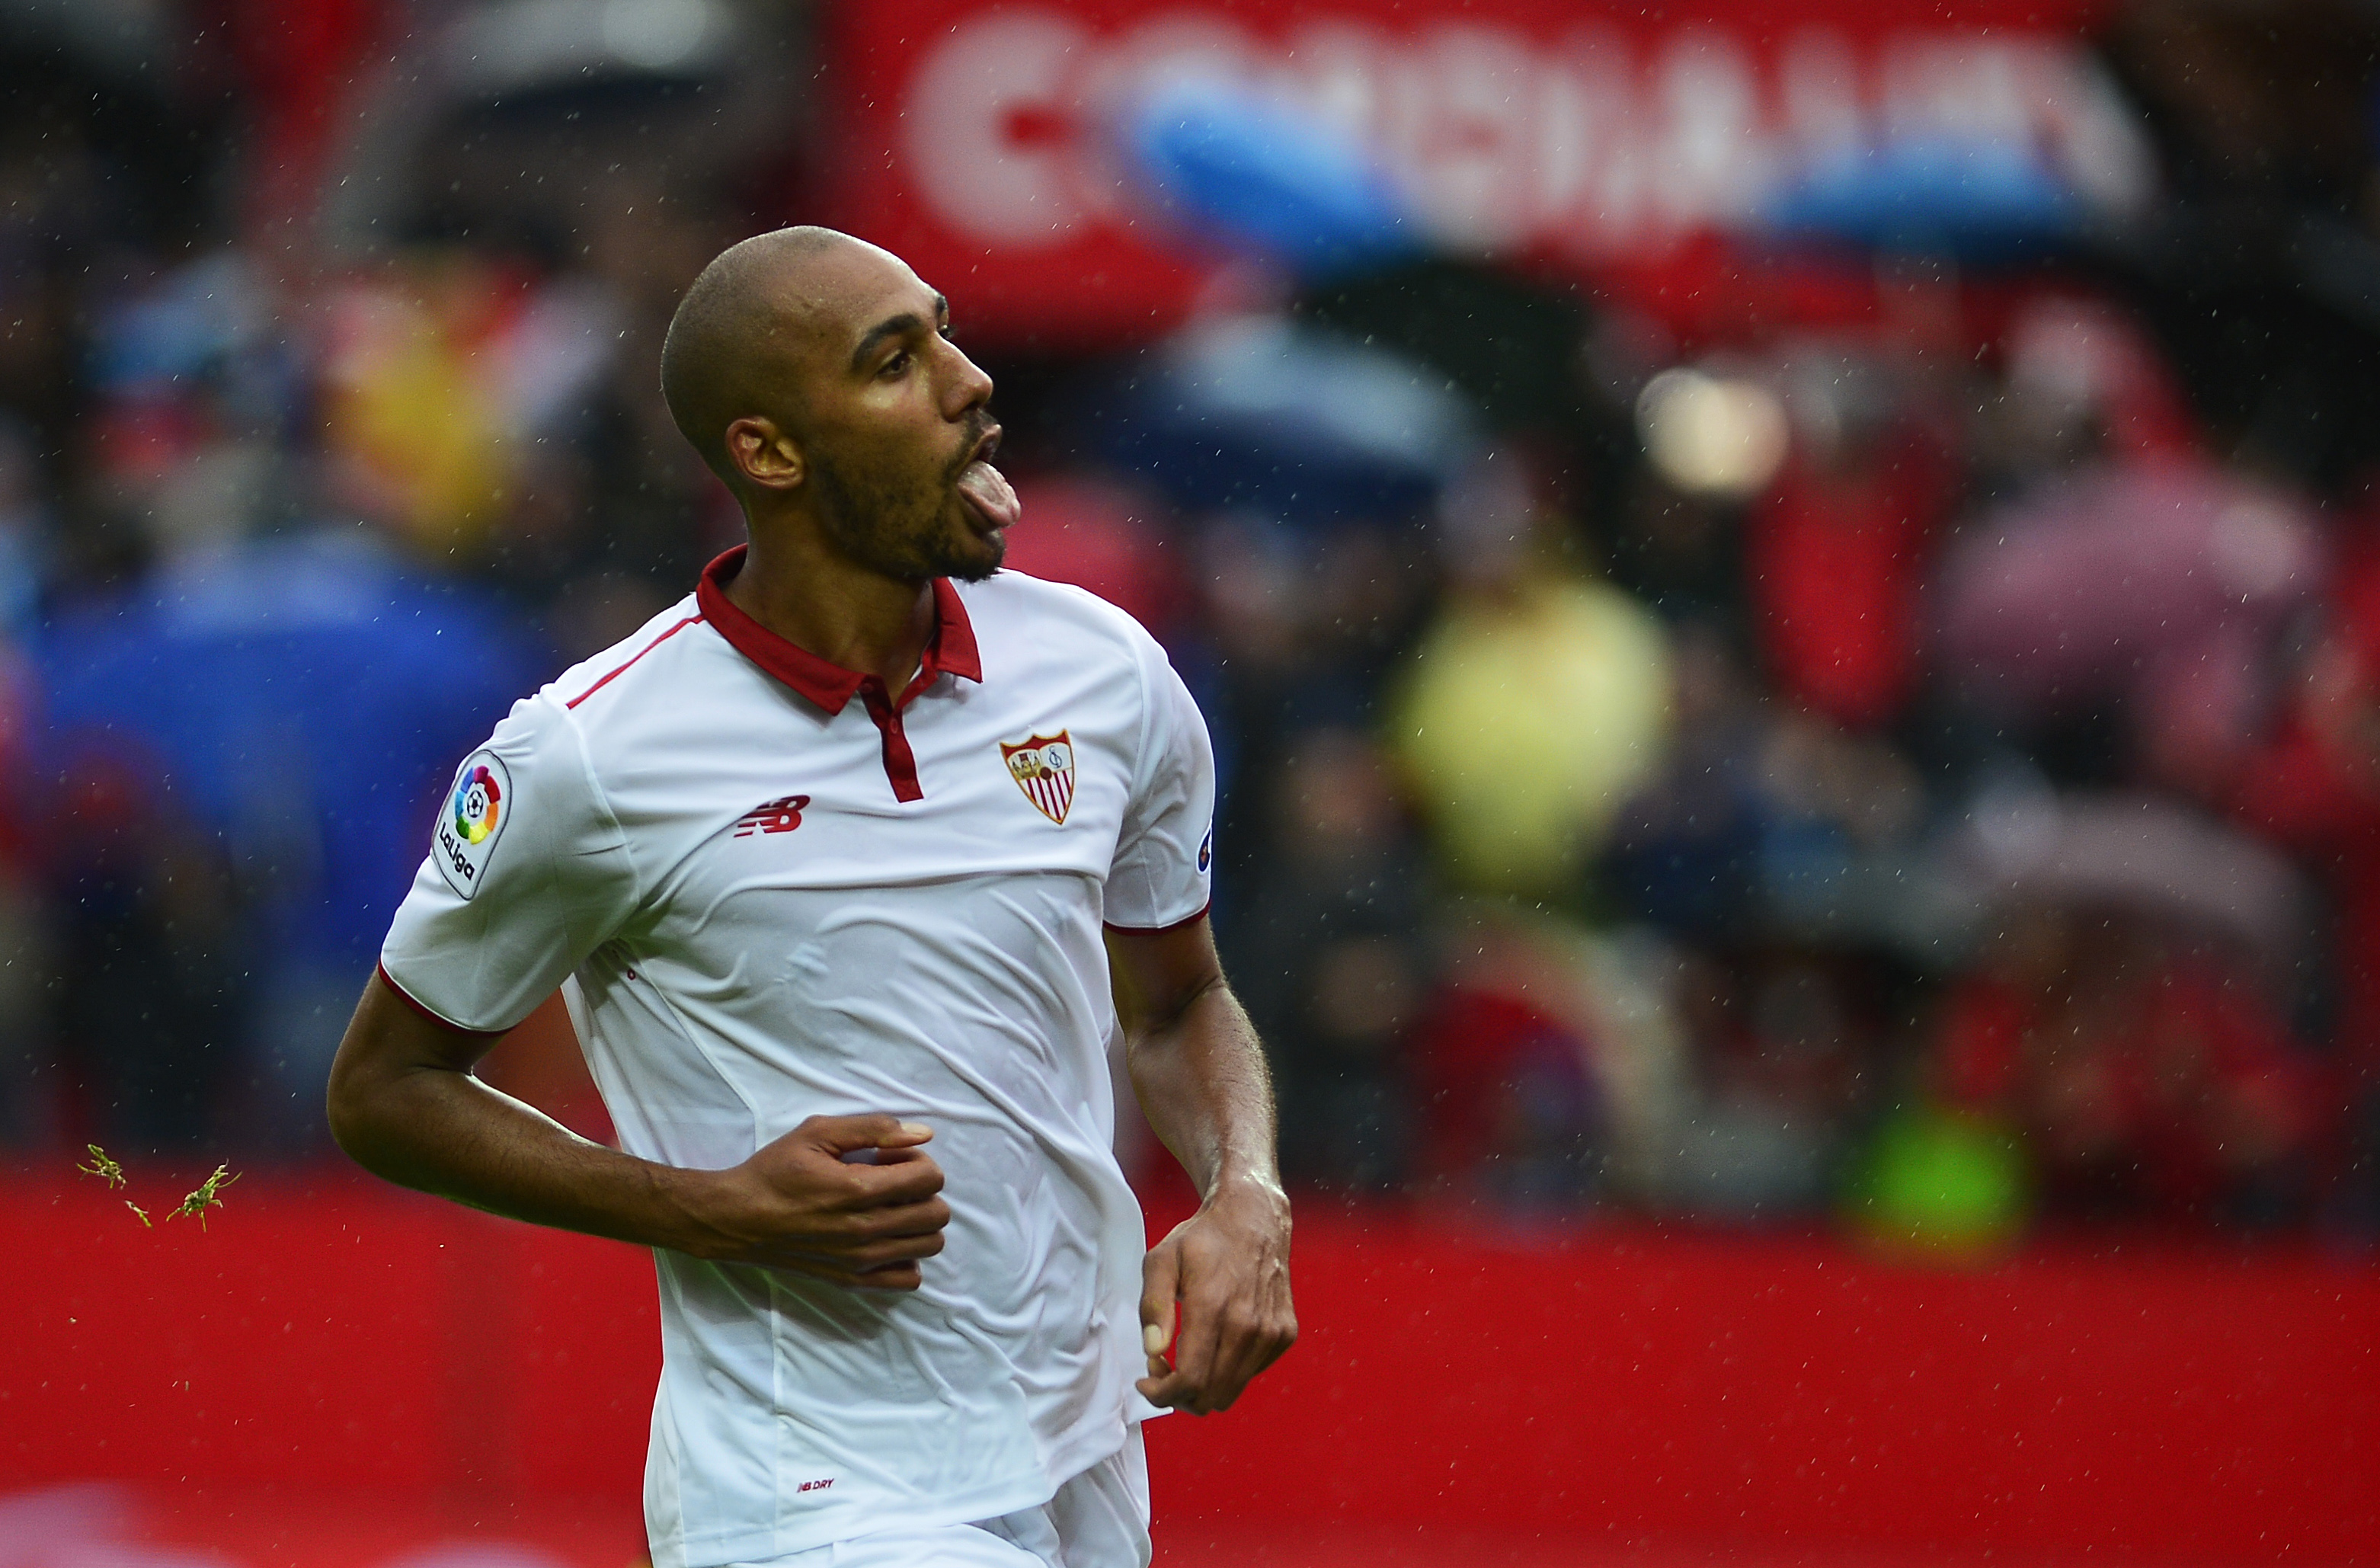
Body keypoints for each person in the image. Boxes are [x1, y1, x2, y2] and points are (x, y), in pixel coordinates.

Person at [325, 227, 1296, 1568]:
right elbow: (385, 1089)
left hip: (1082, 1458)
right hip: (810, 1497)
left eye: (945, 331)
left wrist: (1244, 1188)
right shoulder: (592, 751)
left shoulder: (1107, 674)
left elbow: (1180, 999)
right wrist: (710, 1206)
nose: (970, 383)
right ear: (770, 453)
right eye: (896, 361)